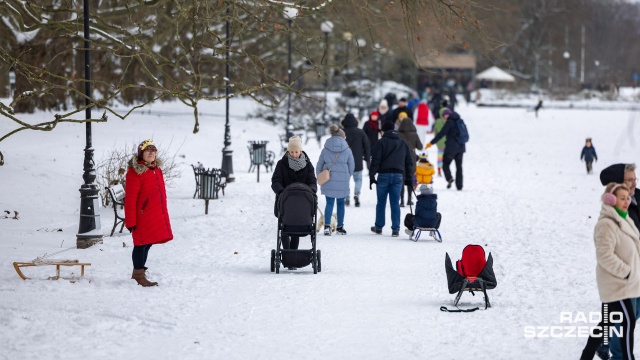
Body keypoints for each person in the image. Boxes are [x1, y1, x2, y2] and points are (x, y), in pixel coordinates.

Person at [581, 183, 640, 360]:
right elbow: (604, 255)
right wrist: (627, 272)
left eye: (627, 198)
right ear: (610, 200)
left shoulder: (624, 220)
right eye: (621, 198)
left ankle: (586, 356)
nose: (626, 201)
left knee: (606, 324)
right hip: (617, 284)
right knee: (627, 323)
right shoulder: (606, 224)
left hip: (625, 283)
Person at [597, 164, 640, 360]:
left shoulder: (637, 197)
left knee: (632, 313)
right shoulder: (613, 211)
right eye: (630, 180)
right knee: (624, 318)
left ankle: (602, 341)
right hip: (623, 274)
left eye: (635, 178)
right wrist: (626, 272)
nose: (634, 183)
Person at [125, 139, 173, 287]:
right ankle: (138, 274)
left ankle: (139, 272)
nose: (152, 153)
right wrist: (131, 221)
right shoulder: (135, 172)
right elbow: (130, 199)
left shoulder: (156, 169)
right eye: (148, 150)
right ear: (141, 154)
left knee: (148, 243)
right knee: (140, 244)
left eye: (153, 150)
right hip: (142, 217)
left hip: (154, 215)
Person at [271, 136, 318, 250]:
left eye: (296, 151)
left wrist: (311, 191)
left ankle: (293, 253)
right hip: (285, 201)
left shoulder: (308, 165)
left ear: (300, 151)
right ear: (288, 151)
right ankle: (287, 252)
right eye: (291, 151)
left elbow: (312, 181)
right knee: (285, 227)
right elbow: (276, 181)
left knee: (297, 227)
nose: (294, 154)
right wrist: (281, 192)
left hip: (302, 202)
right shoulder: (281, 164)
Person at [370, 121, 414, 237]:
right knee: (395, 203)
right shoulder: (402, 143)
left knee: (381, 203)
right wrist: (409, 178)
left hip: (383, 175)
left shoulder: (381, 142)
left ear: (384, 131)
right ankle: (395, 229)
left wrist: (372, 175)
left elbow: (376, 160)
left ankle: (378, 227)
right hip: (398, 176)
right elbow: (409, 162)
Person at [316, 124, 354, 235]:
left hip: (328, 180)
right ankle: (340, 227)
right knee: (341, 203)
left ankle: (327, 227)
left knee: (329, 203)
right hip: (343, 181)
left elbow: (319, 165)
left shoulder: (326, 148)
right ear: (343, 137)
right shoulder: (347, 150)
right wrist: (347, 177)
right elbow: (351, 166)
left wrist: (321, 175)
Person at [425, 109, 466, 190]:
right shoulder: (460, 121)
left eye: (445, 115)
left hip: (450, 148)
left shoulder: (449, 122)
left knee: (445, 164)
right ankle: (459, 186)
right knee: (459, 167)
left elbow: (441, 134)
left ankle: (449, 178)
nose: (445, 117)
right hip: (461, 148)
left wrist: (431, 143)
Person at [342, 113, 370, 207]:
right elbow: (367, 145)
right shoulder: (360, 132)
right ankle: (356, 195)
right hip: (357, 160)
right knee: (358, 179)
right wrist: (366, 157)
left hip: (344, 161)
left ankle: (347, 198)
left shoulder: (341, 132)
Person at [397, 113, 422, 207]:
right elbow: (420, 147)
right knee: (410, 178)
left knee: (401, 180)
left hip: (401, 157)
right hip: (411, 158)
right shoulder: (414, 135)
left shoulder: (398, 135)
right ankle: (409, 199)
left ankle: (402, 200)